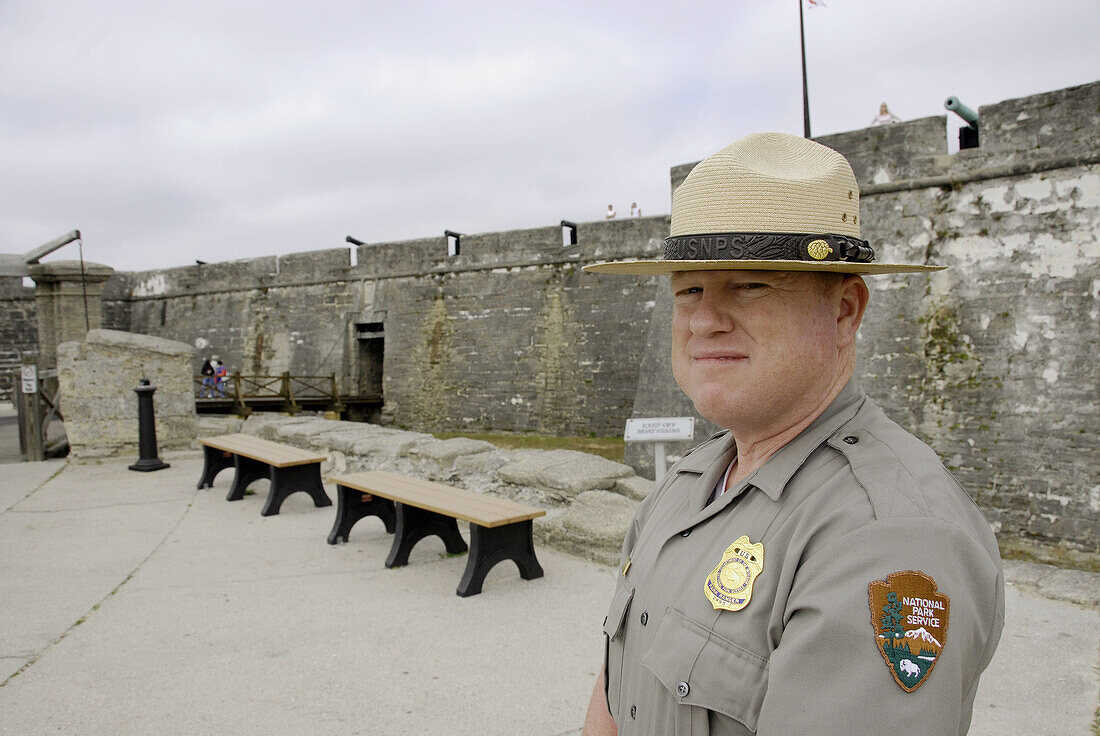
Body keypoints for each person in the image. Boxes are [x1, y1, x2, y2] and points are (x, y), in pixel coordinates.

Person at [581, 132, 1003, 735]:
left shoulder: (887, 541)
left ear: (844, 311)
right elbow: (617, 686)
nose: (703, 318)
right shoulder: (684, 486)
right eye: (688, 289)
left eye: (751, 284)